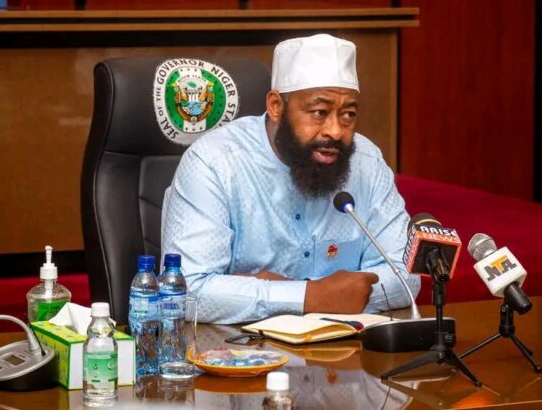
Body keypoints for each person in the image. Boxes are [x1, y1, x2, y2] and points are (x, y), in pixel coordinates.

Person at [161, 33, 419, 323]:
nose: (335, 131)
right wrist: (310, 296)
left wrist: (285, 292)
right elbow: (184, 291)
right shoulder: (215, 163)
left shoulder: (366, 162)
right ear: (276, 106)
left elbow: (405, 275)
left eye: (347, 114)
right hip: (239, 346)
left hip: (343, 344)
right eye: (319, 112)